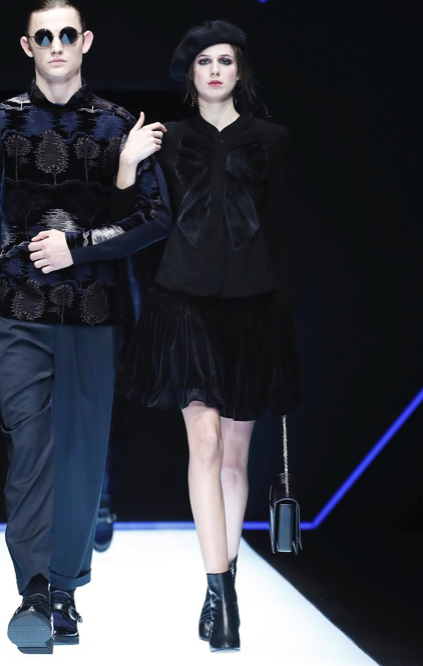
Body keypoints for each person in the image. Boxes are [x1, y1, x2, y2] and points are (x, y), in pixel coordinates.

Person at [31, 19, 301, 652]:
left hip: (254, 310)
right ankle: (221, 596)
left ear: (239, 71)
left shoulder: (272, 140)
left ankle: (224, 581)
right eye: (204, 61)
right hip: (185, 307)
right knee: (204, 444)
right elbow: (128, 219)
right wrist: (126, 163)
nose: (215, 71)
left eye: (225, 61)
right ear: (190, 74)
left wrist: (282, 318)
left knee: (234, 458)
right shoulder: (166, 139)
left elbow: (282, 233)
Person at [0, 0, 170, 654]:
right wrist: (20, 255)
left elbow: (154, 217)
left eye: (66, 33)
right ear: (28, 46)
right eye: (44, 35)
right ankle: (35, 592)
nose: (56, 44)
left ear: (85, 41)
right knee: (28, 453)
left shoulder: (118, 125)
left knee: (78, 459)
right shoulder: (5, 121)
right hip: (18, 311)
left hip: (92, 314)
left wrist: (78, 246)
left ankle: (65, 592)